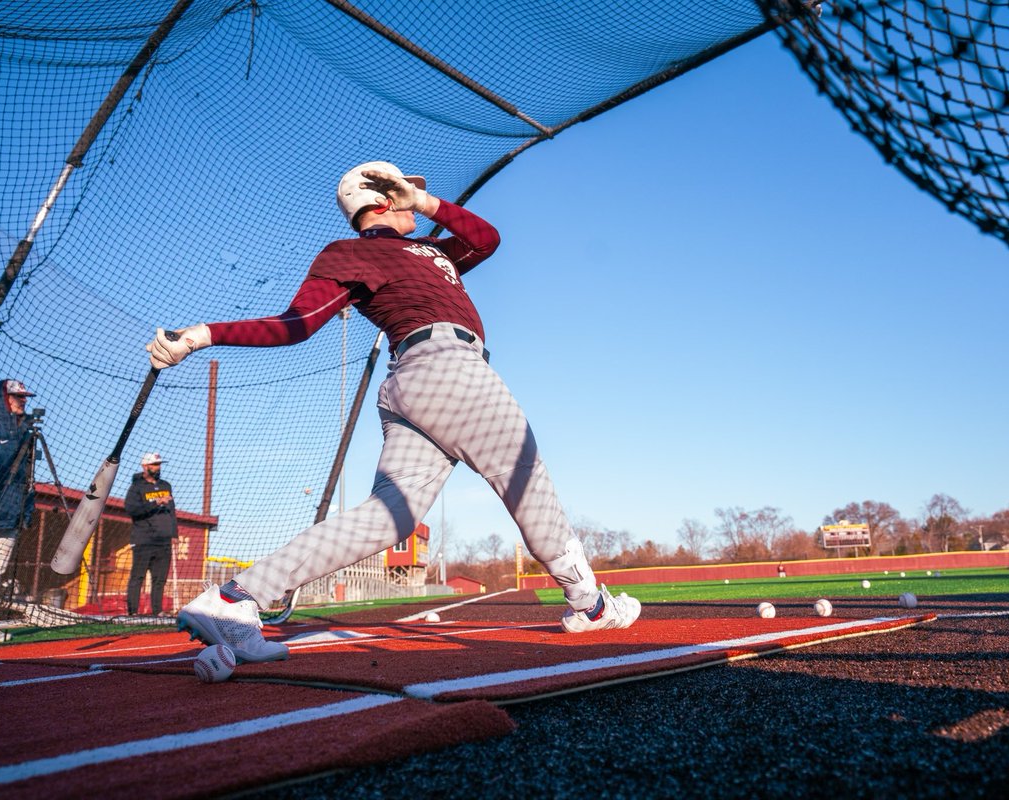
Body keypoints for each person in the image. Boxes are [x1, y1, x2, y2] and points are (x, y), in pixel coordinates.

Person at [146, 161, 640, 663]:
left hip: (414, 385)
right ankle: (590, 603)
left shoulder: (429, 250)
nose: (415, 202)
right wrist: (203, 334)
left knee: (385, 521)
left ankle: (233, 599)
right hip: (449, 370)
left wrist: (425, 204)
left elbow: (487, 240)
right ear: (380, 200)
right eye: (404, 195)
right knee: (524, 475)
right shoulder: (352, 252)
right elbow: (295, 325)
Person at [0, 380, 37, 597]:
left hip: (12, 512)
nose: (24, 401)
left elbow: (28, 475)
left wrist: (26, 512)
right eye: (19, 396)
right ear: (4, 398)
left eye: (25, 397)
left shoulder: (26, 427)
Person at [123, 452, 178, 616]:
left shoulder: (165, 486)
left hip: (164, 541)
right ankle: (132, 612)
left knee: (159, 579)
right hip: (143, 540)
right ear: (145, 466)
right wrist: (155, 502)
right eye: (154, 464)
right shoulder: (137, 487)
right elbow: (132, 510)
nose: (158, 467)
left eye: (159, 464)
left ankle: (157, 611)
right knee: (137, 577)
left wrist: (174, 534)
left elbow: (171, 512)